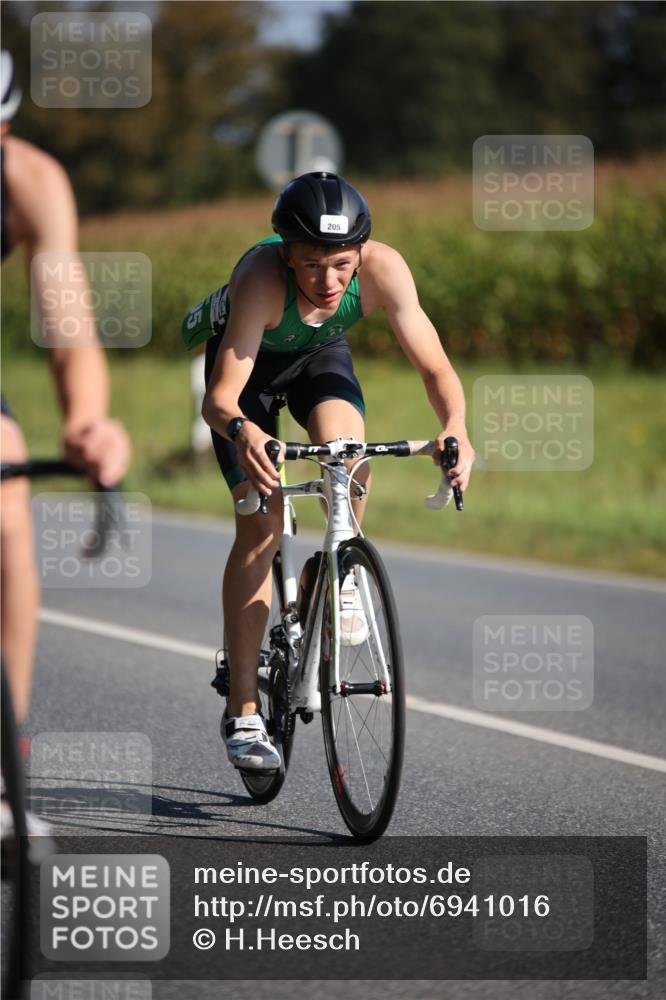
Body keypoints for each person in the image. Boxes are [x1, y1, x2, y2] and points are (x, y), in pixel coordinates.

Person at [190, 170, 474, 772]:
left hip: (320, 357)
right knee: (262, 524)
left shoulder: (385, 269)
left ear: (362, 253)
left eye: (342, 264)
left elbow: (435, 368)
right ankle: (243, 708)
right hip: (250, 380)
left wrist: (455, 427)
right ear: (287, 255)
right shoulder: (261, 280)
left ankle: (339, 571)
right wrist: (247, 434)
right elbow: (219, 401)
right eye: (313, 264)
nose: (329, 281)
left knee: (348, 454)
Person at [0, 51, 131, 834]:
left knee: (9, 505)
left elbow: (68, 326)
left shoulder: (32, 183)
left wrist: (87, 420)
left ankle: (2, 764)